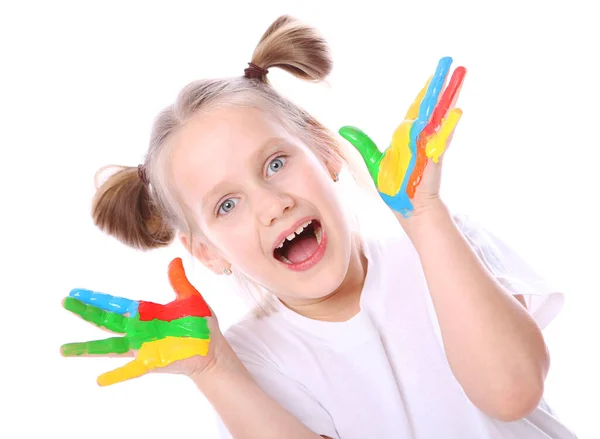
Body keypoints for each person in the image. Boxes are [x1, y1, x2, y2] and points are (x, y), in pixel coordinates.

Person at [82, 14, 576, 439]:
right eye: (227, 205)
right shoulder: (247, 361)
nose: (271, 207)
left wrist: (425, 217)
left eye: (275, 164)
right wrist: (214, 370)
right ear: (207, 252)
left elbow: (513, 393)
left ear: (323, 149)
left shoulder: (442, 247)